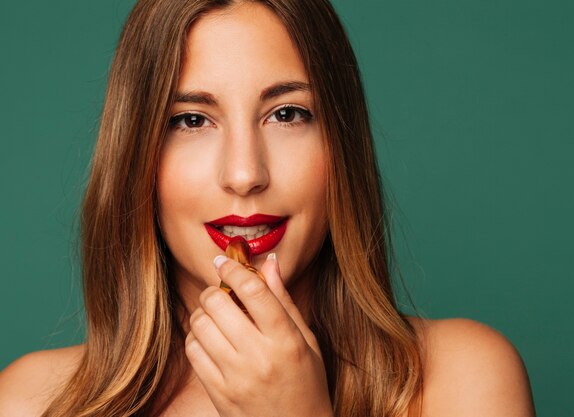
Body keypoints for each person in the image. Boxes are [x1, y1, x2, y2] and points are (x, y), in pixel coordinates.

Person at [0, 0, 535, 416]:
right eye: (190, 120)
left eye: (287, 114)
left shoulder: (462, 379)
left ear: (341, 146)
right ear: (137, 156)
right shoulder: (28, 402)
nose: (245, 174)